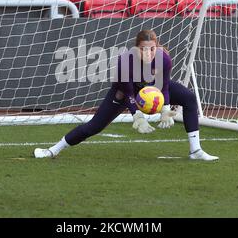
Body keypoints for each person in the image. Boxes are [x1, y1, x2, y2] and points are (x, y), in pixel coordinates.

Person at [34, 30, 218, 161]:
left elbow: (164, 86)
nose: (148, 53)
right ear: (136, 48)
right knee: (94, 127)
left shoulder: (164, 58)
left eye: (152, 48)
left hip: (153, 89)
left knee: (188, 97)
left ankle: (196, 151)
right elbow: (128, 92)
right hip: (125, 92)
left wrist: (165, 108)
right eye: (143, 49)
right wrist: (137, 115)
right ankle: (52, 150)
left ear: (157, 47)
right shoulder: (126, 61)